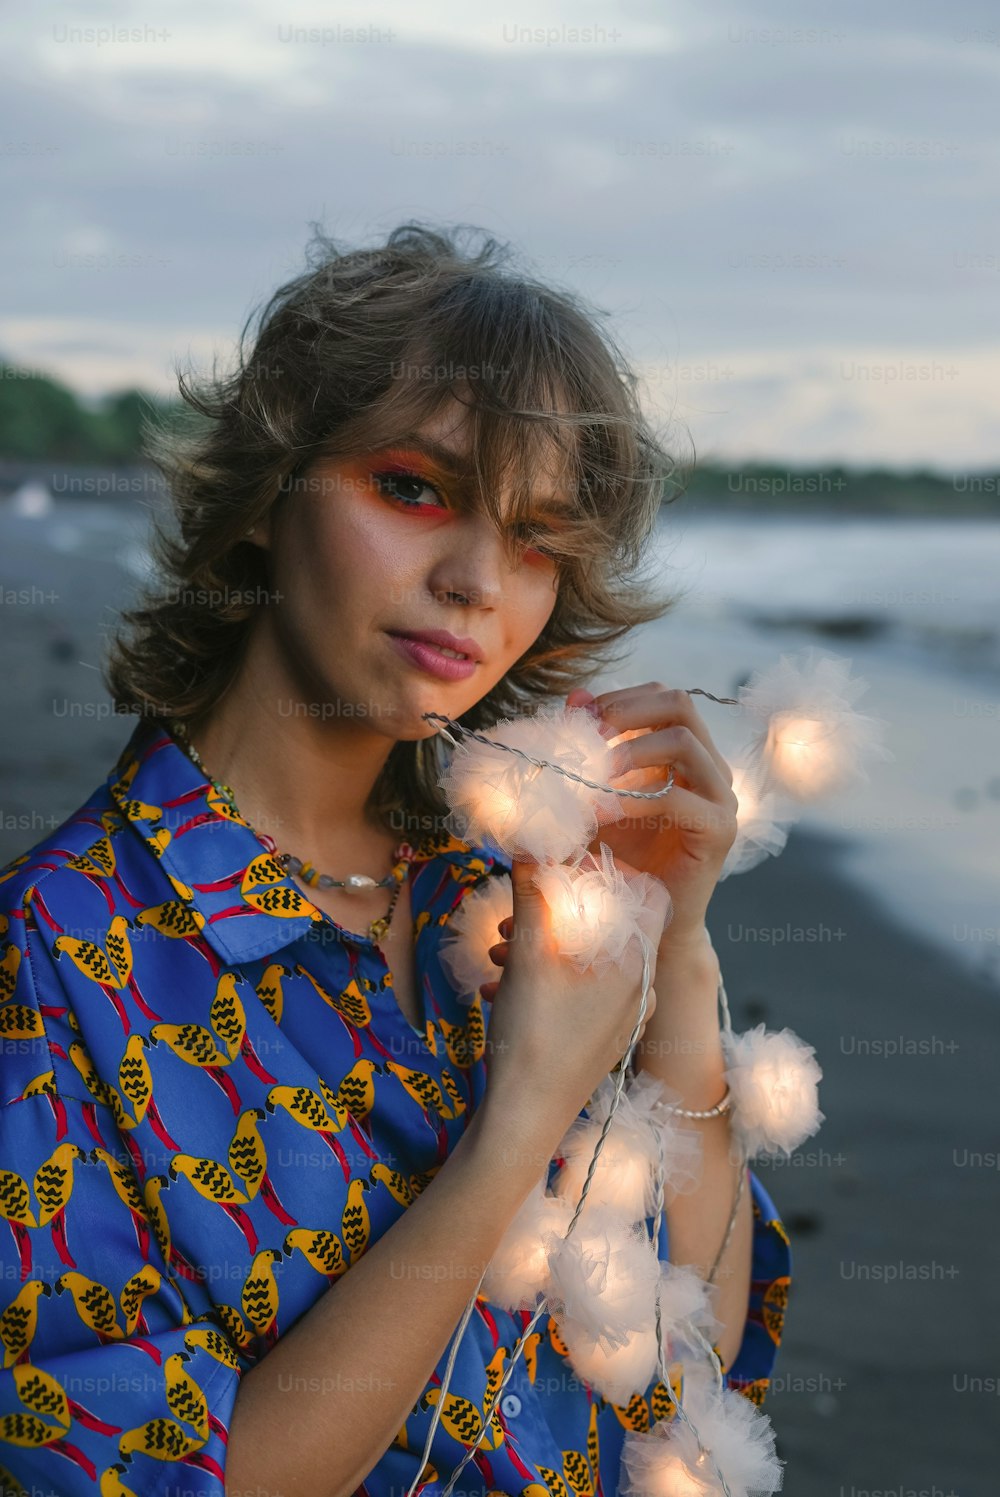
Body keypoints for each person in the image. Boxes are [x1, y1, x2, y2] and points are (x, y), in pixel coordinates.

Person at [0, 222, 791, 1497]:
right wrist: (516, 1124)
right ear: (269, 495)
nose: (479, 579)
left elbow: (680, 1359)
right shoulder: (49, 964)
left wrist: (676, 960)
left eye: (537, 539)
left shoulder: (511, 898)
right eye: (413, 488)